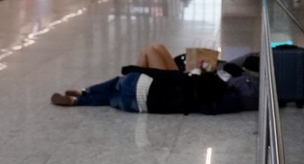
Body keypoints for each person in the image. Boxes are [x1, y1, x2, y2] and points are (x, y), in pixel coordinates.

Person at [49, 44, 257, 115]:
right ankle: (79, 98)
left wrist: (202, 69)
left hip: (169, 83)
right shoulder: (209, 94)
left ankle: (84, 91)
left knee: (149, 51)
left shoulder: (200, 83)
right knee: (155, 49)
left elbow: (195, 75)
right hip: (156, 92)